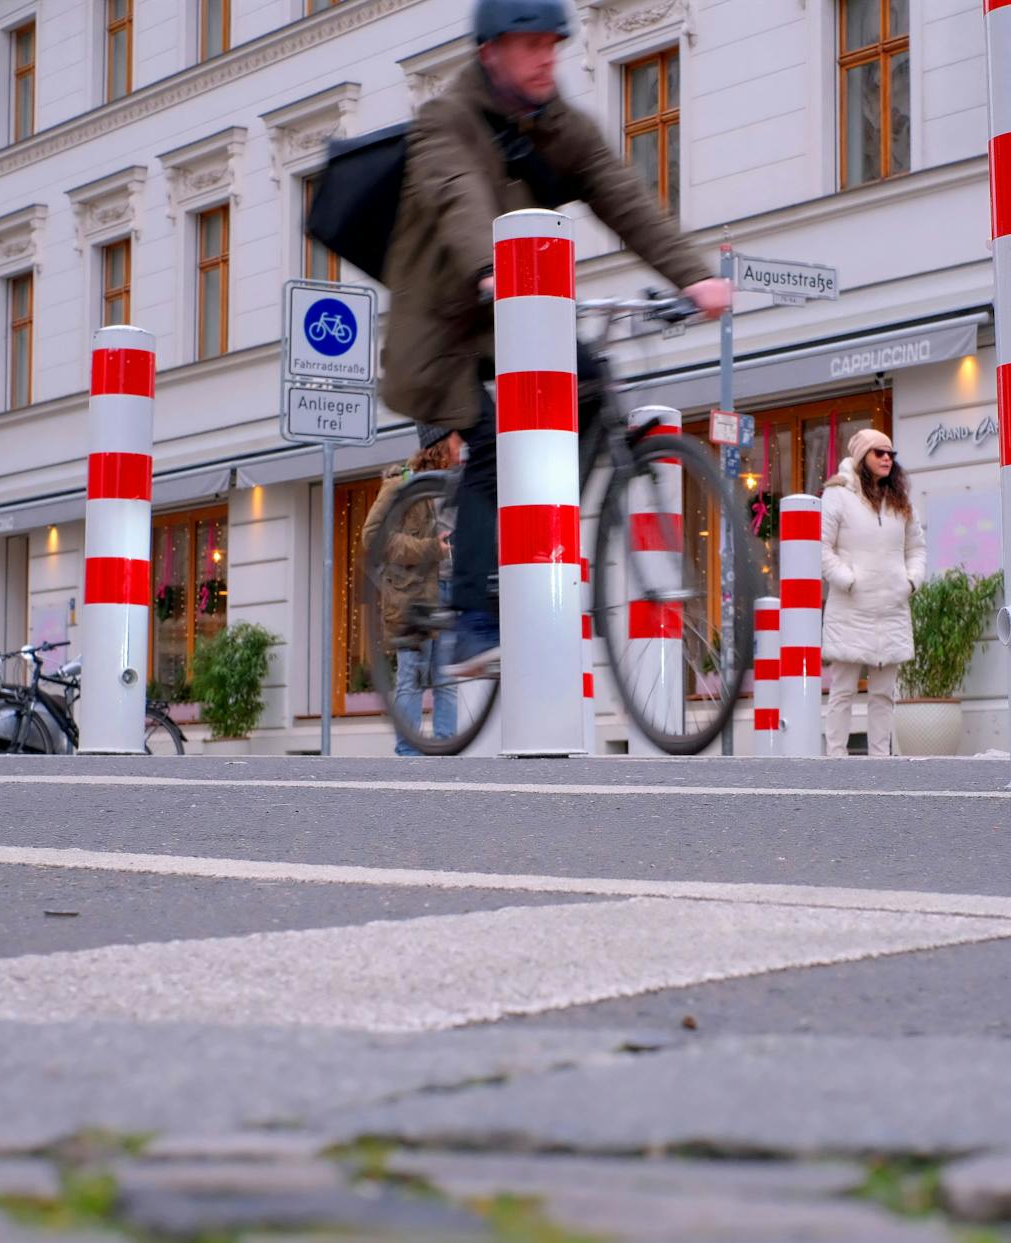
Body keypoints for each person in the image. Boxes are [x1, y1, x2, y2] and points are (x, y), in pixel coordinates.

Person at [377, 0, 732, 670]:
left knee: (593, 381)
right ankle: (478, 618)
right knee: (488, 448)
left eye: (553, 45)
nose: (547, 57)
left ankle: (539, 532)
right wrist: (492, 268)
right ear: (491, 53)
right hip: (443, 335)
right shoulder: (443, 123)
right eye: (530, 45)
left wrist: (693, 279)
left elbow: (623, 198)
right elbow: (460, 200)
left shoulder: (560, 126)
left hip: (524, 319)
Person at [820, 429, 927, 757]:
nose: (886, 459)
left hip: (891, 608)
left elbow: (917, 548)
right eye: (878, 453)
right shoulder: (837, 494)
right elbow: (822, 548)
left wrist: (910, 581)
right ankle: (835, 758)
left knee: (883, 695)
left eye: (890, 454)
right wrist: (848, 580)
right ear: (861, 457)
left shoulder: (900, 501)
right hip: (851, 609)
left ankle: (881, 762)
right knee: (843, 691)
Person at [361, 425, 463, 754]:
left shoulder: (458, 484)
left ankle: (445, 752)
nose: (462, 445)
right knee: (412, 677)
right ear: (440, 444)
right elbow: (372, 536)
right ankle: (408, 755)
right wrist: (428, 549)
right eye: (457, 438)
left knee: (447, 678)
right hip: (415, 594)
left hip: (452, 590)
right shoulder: (401, 484)